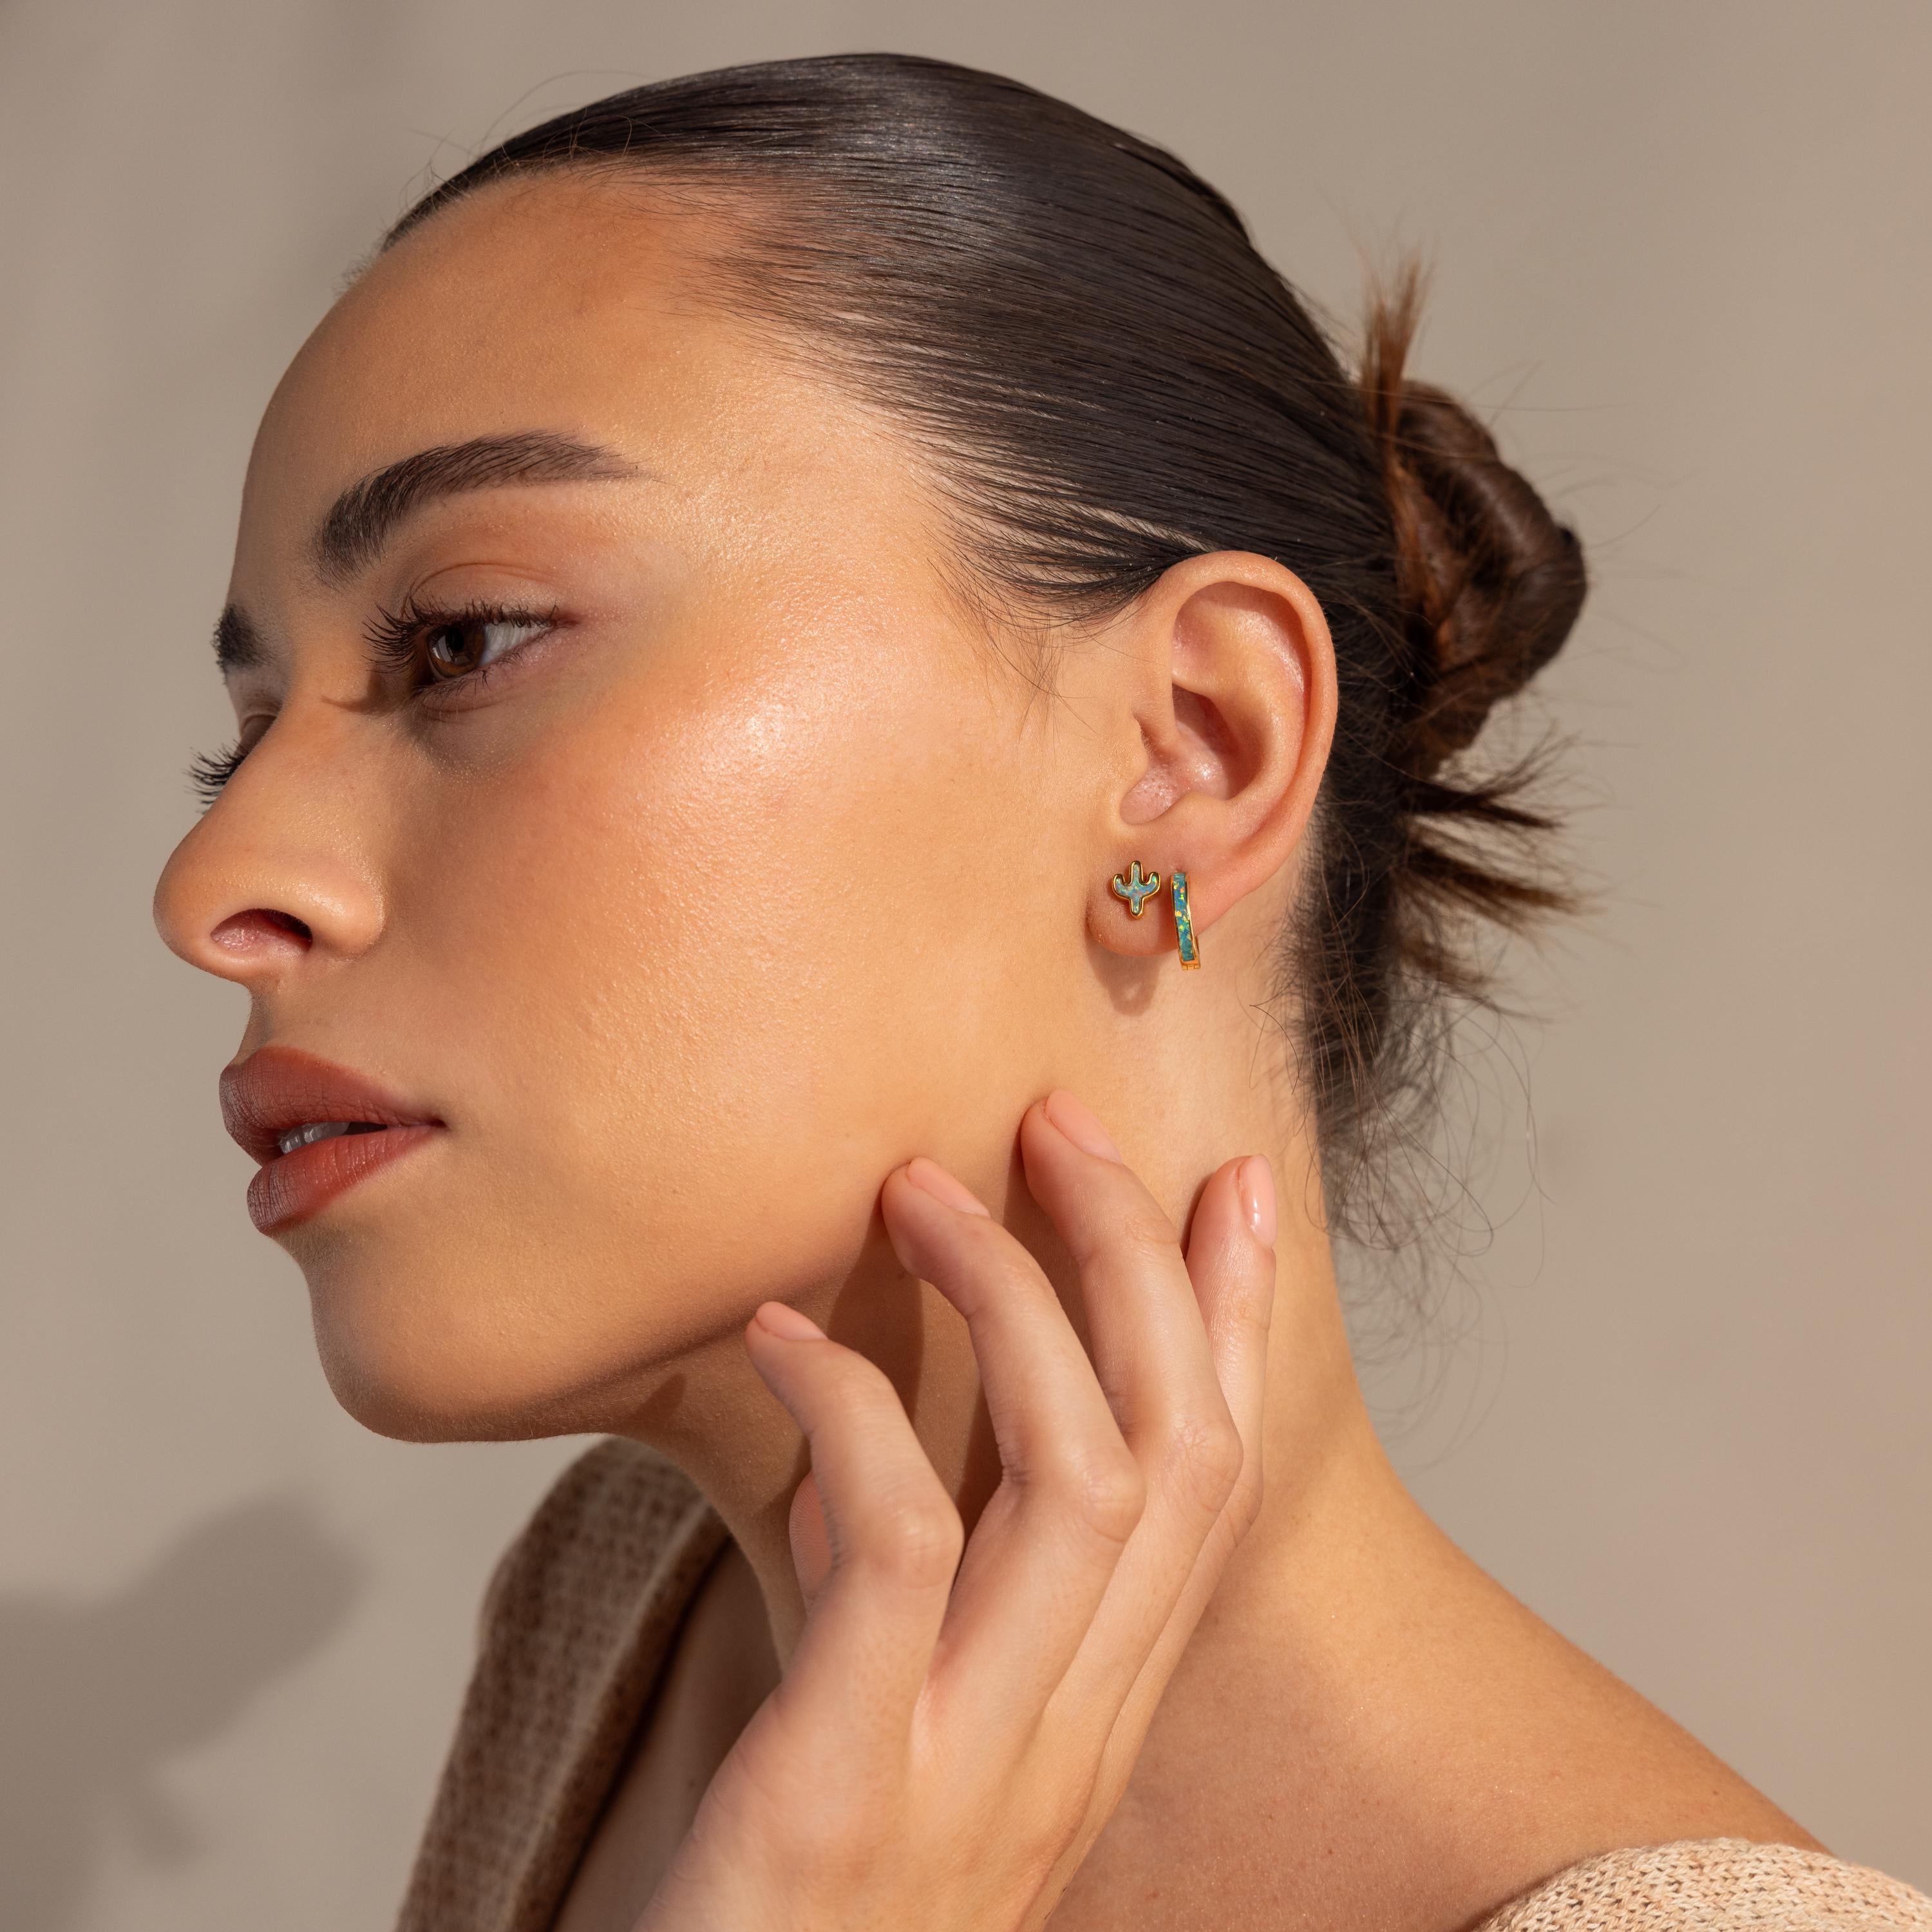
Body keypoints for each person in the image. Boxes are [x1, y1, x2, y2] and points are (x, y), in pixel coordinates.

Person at [151, 52, 1931, 1932]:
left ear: (1194, 747)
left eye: (466, 640)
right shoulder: (641, 1612)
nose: (211, 884)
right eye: (244, 737)